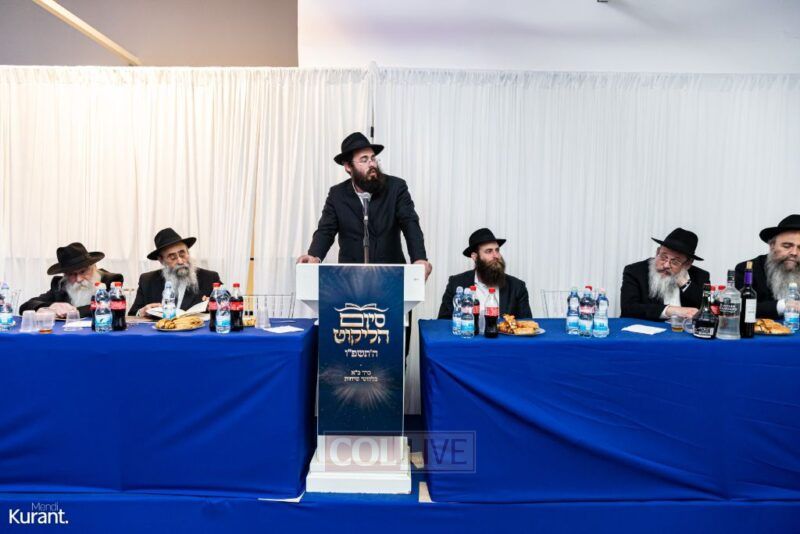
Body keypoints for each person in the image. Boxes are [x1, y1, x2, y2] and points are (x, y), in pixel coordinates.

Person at [297, 132, 432, 279]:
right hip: (350, 278)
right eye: (364, 159)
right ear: (348, 166)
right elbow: (326, 231)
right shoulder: (337, 195)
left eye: (373, 158)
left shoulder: (396, 187)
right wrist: (314, 255)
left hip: (390, 275)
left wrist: (419, 258)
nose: (372, 164)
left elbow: (410, 223)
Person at [437, 228, 532, 319]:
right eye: (489, 251)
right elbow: (442, 323)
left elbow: (527, 325)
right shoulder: (456, 284)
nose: (496, 256)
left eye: (497, 250)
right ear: (475, 257)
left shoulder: (517, 287)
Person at [620, 227, 709, 321]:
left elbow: (708, 310)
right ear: (657, 252)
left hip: (684, 329)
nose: (666, 265)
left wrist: (684, 283)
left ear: (688, 264)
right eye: (663, 257)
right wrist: (671, 310)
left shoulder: (701, 276)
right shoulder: (635, 271)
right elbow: (628, 308)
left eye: (675, 262)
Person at [129, 228, 222, 317]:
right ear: (161, 260)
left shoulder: (210, 278)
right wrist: (141, 312)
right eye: (172, 257)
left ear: (188, 253)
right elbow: (132, 315)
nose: (180, 261)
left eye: (182, 254)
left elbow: (226, 306)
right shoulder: (147, 280)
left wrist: (217, 305)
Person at [19, 242, 123, 318]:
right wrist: (50, 307)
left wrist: (70, 311)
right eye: (71, 274)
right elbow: (26, 306)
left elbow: (111, 306)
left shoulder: (111, 281)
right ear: (65, 275)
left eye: (83, 271)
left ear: (94, 267)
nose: (78, 279)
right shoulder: (60, 285)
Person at [734, 214, 800, 320]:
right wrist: (784, 305)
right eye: (787, 246)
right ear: (772, 246)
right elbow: (740, 307)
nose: (794, 252)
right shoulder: (747, 270)